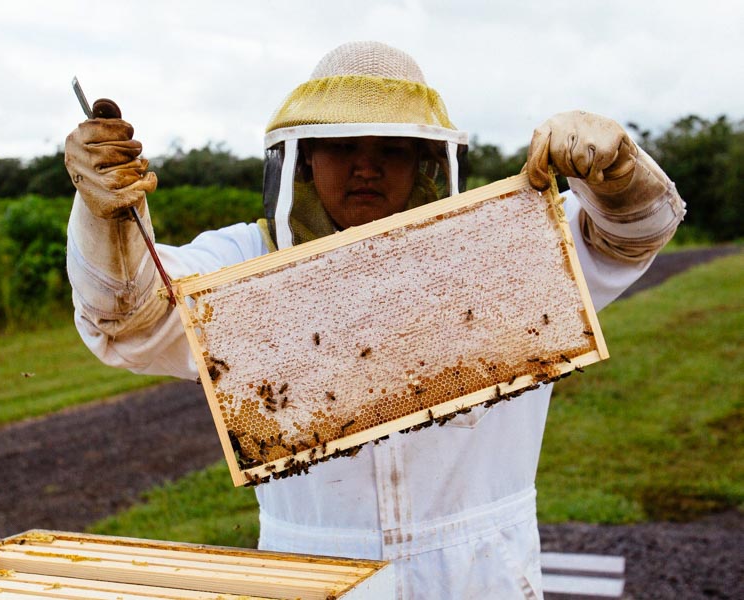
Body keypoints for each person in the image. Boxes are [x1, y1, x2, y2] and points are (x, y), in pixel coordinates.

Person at [64, 41, 685, 599]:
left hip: (480, 575)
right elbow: (129, 319)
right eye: (342, 147)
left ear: (426, 161)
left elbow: (632, 232)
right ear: (303, 160)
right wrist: (103, 218)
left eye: (393, 149)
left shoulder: (496, 251)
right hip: (312, 571)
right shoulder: (246, 263)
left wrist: (619, 173)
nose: (368, 167)